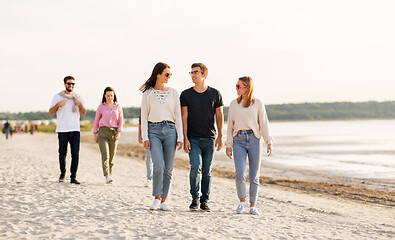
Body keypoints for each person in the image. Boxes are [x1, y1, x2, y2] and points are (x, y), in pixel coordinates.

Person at [225, 76, 273, 215]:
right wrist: (229, 144)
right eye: (236, 85)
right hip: (238, 139)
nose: (236, 88)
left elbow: (264, 123)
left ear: (247, 87)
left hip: (254, 140)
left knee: (254, 175)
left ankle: (253, 205)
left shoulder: (257, 103)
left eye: (239, 86)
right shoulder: (234, 104)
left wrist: (268, 142)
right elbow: (230, 126)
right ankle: (242, 201)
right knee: (240, 173)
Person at [180, 63, 224, 211]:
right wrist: (185, 138)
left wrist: (220, 136)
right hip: (193, 138)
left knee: (207, 170)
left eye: (196, 72)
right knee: (195, 167)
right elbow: (184, 118)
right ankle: (195, 198)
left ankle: (205, 200)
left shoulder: (215, 94)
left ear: (204, 74)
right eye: (191, 72)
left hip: (210, 138)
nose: (193, 75)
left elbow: (219, 116)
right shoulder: (186, 95)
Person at [140, 62, 183, 211]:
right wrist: (145, 137)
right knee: (159, 166)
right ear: (158, 74)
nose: (168, 77)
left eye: (170, 74)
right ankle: (156, 198)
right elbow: (144, 117)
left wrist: (181, 137)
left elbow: (178, 115)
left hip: (171, 130)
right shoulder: (148, 94)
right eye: (166, 74)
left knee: (168, 168)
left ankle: (164, 200)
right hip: (153, 131)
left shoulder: (173, 92)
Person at [49, 76, 87, 184]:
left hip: (75, 130)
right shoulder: (57, 97)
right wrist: (58, 105)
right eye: (69, 83)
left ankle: (73, 177)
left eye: (73, 84)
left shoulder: (79, 97)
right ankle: (62, 173)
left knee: (75, 154)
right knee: (62, 154)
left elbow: (83, 113)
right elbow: (51, 113)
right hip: (62, 130)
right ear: (65, 84)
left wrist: (79, 104)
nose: (71, 86)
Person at [93, 87, 124, 184]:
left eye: (111, 95)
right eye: (108, 95)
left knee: (112, 156)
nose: (110, 97)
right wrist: (95, 133)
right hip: (102, 132)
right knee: (105, 155)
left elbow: (120, 121)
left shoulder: (118, 107)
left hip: (114, 133)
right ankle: (106, 175)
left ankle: (109, 174)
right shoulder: (101, 107)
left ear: (114, 96)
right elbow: (96, 120)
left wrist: (119, 132)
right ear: (105, 96)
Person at [138, 116, 153, 187]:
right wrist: (139, 135)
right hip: (148, 134)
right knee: (149, 158)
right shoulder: (144, 105)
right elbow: (141, 121)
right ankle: (149, 178)